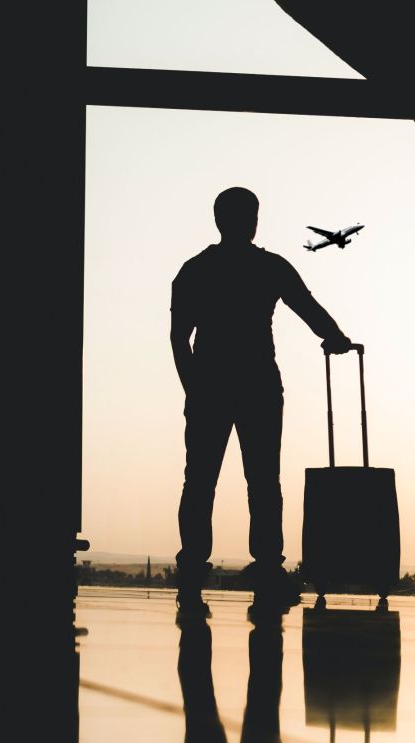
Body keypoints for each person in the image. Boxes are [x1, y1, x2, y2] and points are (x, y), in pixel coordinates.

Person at [171, 187, 352, 615]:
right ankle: (268, 568)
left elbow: (180, 338)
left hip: (211, 384)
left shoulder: (195, 270)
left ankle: (192, 570)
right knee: (264, 482)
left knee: (199, 483)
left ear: (218, 221)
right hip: (258, 384)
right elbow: (305, 306)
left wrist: (193, 388)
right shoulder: (268, 267)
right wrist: (336, 337)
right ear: (252, 221)